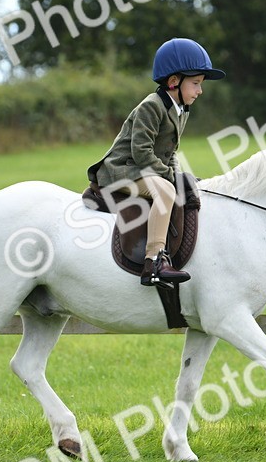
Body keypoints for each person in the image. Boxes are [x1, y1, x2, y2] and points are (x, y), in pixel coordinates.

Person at [89, 37, 225, 287]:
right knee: (165, 191)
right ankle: (154, 261)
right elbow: (141, 152)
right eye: (195, 83)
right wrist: (170, 180)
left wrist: (180, 176)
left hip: (143, 169)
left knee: (180, 186)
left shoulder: (179, 109)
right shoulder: (151, 106)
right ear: (174, 81)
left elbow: (171, 153)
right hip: (122, 171)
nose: (200, 91)